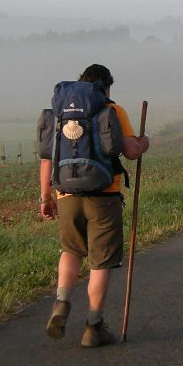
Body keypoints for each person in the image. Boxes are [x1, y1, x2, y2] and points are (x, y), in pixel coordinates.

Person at [38, 63, 150, 347]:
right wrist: (144, 143)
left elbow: (47, 159)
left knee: (71, 251)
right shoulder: (113, 110)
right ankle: (93, 326)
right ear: (106, 87)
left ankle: (62, 302)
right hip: (104, 196)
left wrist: (45, 198)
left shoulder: (61, 114)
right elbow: (130, 151)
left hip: (66, 196)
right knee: (100, 262)